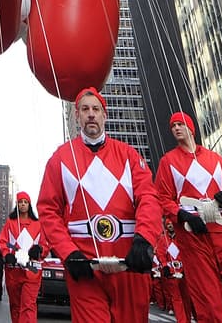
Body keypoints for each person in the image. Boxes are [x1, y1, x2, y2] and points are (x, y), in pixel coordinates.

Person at [37, 87, 160, 323]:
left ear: (105, 115)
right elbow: (48, 210)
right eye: (85, 109)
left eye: (96, 109)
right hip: (85, 266)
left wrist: (144, 239)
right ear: (77, 116)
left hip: (129, 264)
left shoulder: (129, 155)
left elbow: (148, 198)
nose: (91, 114)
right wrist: (68, 253)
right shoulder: (60, 158)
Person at [154, 111, 222, 323]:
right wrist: (182, 215)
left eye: (180, 124)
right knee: (209, 303)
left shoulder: (216, 160)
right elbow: (162, 198)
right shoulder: (168, 162)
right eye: (173, 125)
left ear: (191, 128)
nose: (176, 128)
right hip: (193, 237)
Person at [0, 191, 44, 323]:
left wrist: (39, 249)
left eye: (25, 202)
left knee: (28, 305)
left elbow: (45, 243)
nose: (23, 204)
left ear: (29, 205)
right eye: (20, 202)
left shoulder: (38, 225)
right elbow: (3, 241)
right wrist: (7, 254)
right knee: (16, 306)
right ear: (17, 205)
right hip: (13, 271)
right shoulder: (10, 223)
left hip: (32, 271)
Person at [152, 214, 190, 323]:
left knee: (186, 297)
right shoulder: (163, 239)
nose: (170, 227)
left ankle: (187, 318)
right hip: (171, 273)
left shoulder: (182, 237)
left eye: (171, 224)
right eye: (168, 225)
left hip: (184, 271)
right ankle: (182, 320)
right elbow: (160, 253)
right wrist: (164, 266)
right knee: (176, 298)